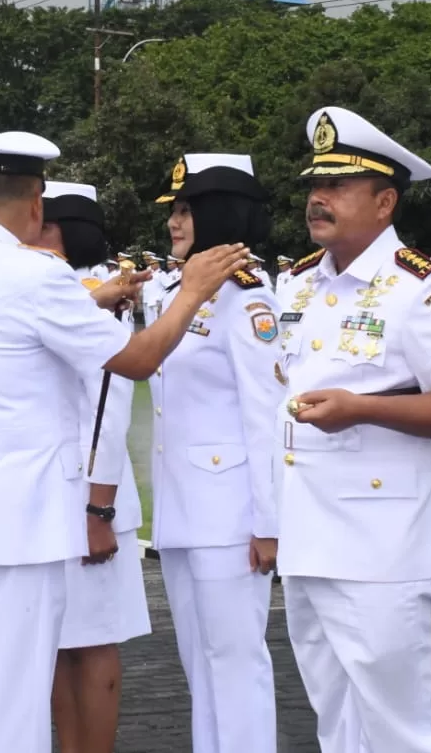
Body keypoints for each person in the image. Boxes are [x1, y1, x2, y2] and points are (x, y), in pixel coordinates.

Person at [0, 131, 248, 753]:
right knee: (12, 705)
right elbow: (138, 358)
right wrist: (195, 292)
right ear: (37, 204)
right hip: (19, 525)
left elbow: (10, 329)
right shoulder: (33, 276)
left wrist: (94, 298)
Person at [275, 107, 431, 753]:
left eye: (338, 186)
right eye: (316, 183)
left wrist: (364, 408)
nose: (318, 198)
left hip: (382, 545)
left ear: (386, 201)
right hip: (309, 534)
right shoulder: (301, 283)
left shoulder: (420, 287)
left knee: (399, 728)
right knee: (335, 718)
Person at [150, 152, 282, 753]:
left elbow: (266, 418)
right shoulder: (185, 293)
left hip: (231, 515)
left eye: (186, 210)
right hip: (184, 509)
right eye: (173, 211)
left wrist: (269, 523)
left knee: (234, 664)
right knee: (199, 664)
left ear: (219, 214)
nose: (174, 223)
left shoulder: (249, 302)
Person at [33, 181, 151, 753]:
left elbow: (109, 410)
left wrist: (97, 509)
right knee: (54, 644)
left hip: (89, 501)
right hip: (49, 502)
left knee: (94, 642)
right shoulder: (78, 294)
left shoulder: (91, 298)